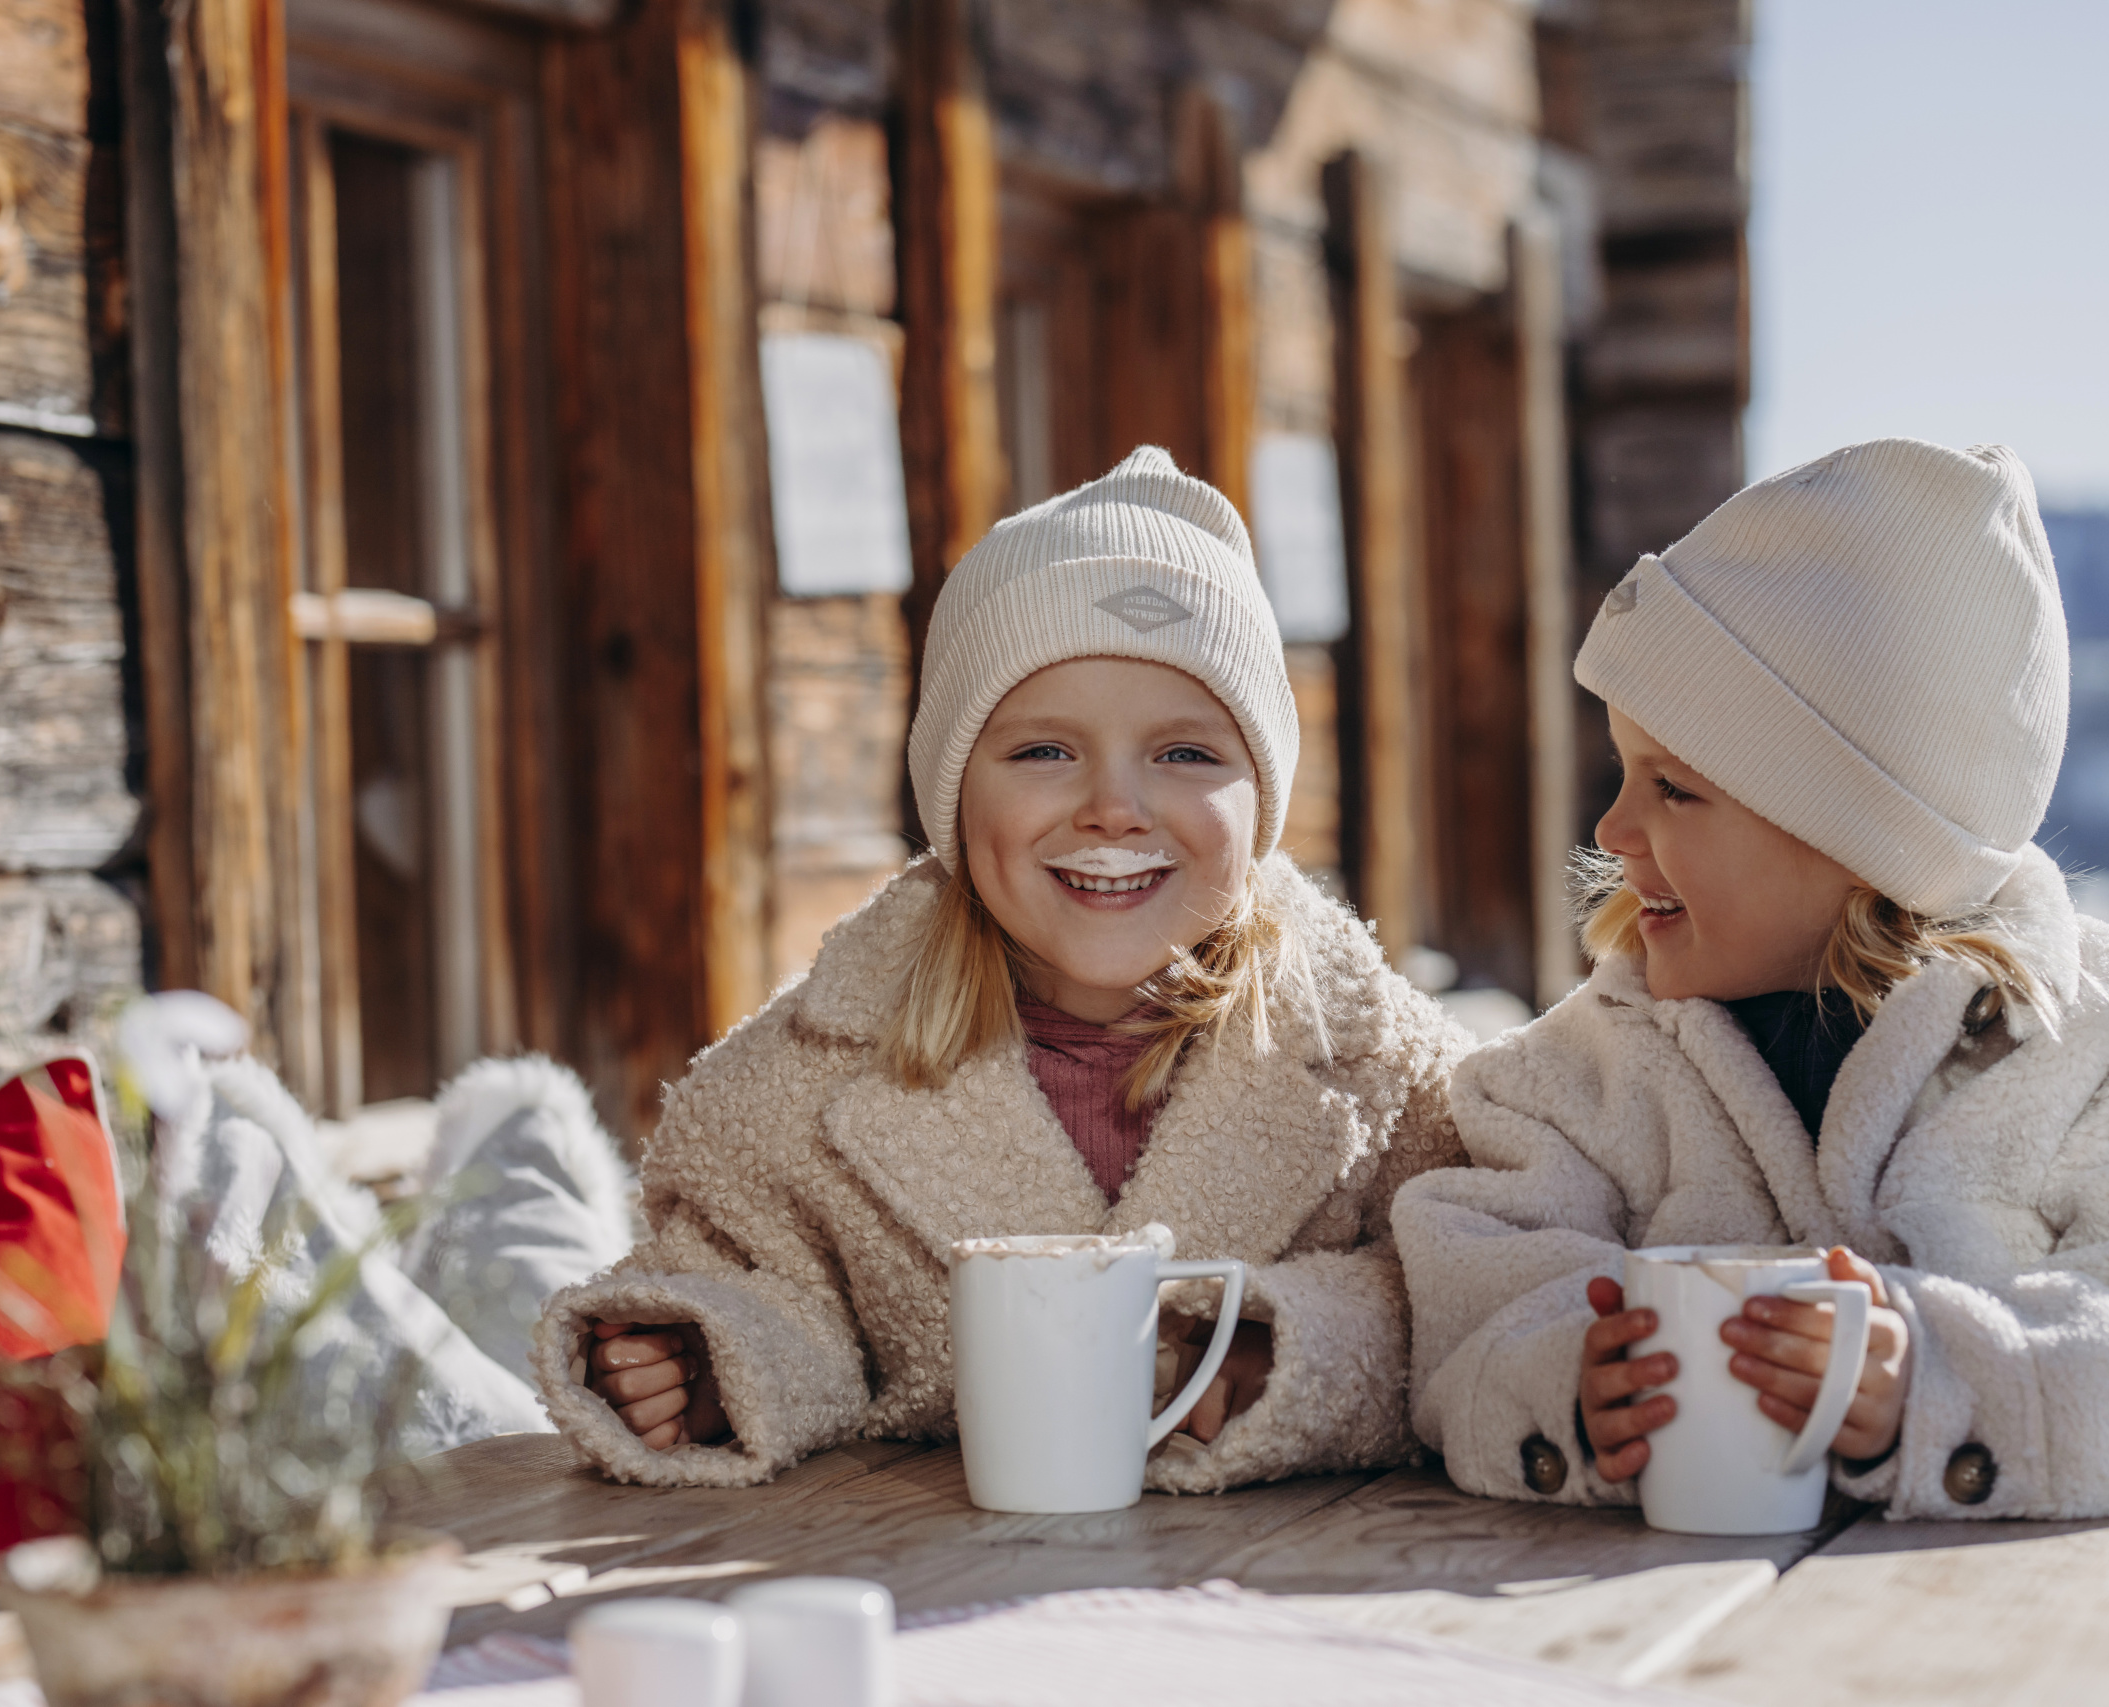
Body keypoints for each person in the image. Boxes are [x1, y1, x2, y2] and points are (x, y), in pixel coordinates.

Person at [1395, 438, 2109, 1521]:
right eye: (1621, 771)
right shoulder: (1576, 1078)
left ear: (1855, 837)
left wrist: (1941, 1381)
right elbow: (1464, 1304)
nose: (1611, 829)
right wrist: (1566, 1388)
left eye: (1675, 791)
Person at [535, 447, 1468, 1493]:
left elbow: (1474, 1290)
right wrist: (712, 1363)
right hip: (929, 1589)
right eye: (1042, 753)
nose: (1113, 808)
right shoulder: (792, 1094)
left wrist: (1284, 1347)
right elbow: (763, 1284)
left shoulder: (1391, 1071)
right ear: (951, 800)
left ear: (1261, 802)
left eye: (1186, 754)